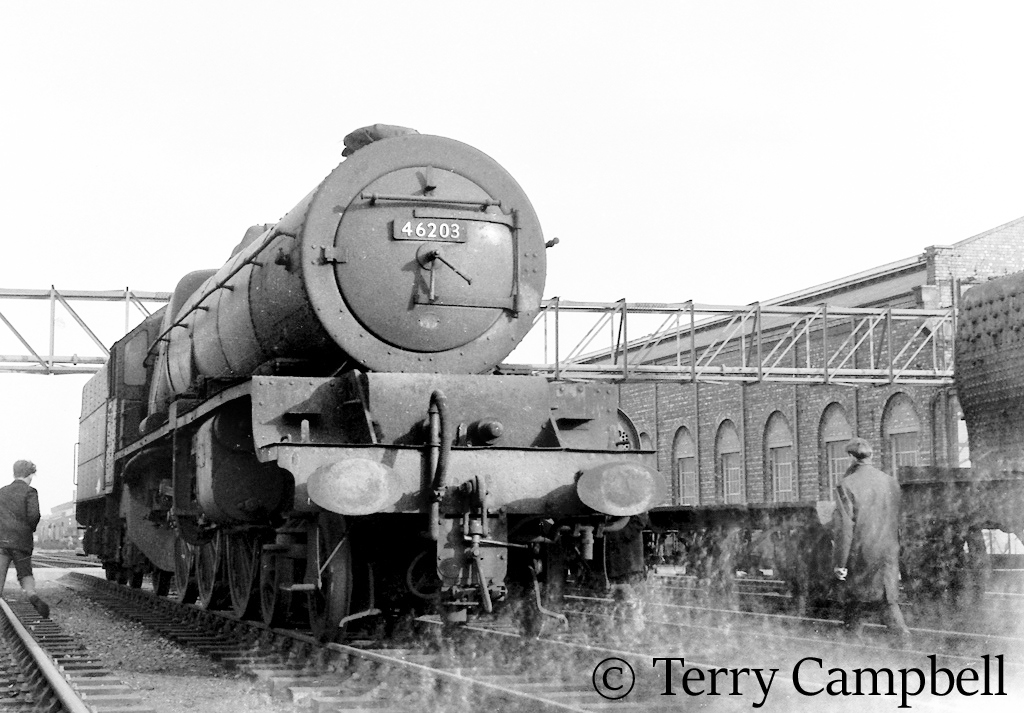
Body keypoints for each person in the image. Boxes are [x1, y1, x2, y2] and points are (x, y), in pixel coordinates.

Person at [832, 438, 910, 641]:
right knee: (887, 601)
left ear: (850, 457)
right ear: (870, 457)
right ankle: (904, 644)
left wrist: (840, 563)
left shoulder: (846, 484)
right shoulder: (890, 482)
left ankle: (850, 656)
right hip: (887, 554)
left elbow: (844, 529)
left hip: (861, 556)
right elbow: (900, 521)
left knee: (855, 605)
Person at [0, 460, 49, 618]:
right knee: (25, 573)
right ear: (30, 474)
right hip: (22, 541)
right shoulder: (30, 492)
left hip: (1, 540)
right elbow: (34, 515)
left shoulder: (2, 492)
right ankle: (32, 596)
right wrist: (29, 529)